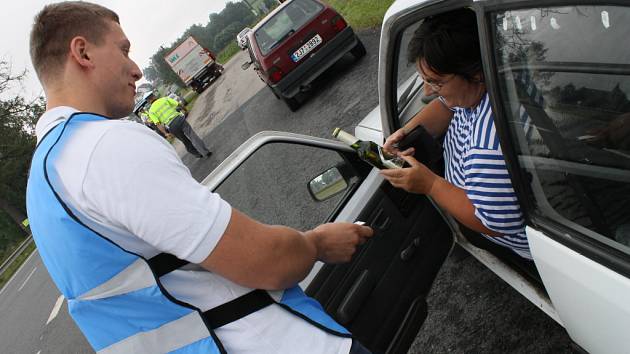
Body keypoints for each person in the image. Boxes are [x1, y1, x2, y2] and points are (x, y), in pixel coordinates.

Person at [26, 2, 373, 353]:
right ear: (82, 52)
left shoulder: (44, 185)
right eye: (123, 50)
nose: (135, 70)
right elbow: (264, 260)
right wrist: (316, 244)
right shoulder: (102, 146)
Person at [381, 9, 531, 260]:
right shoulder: (495, 75)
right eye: (425, 80)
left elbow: (491, 224)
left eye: (436, 82)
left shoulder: (488, 149)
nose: (427, 92)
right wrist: (405, 131)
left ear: (475, 73)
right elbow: (444, 105)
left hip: (505, 238)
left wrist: (430, 184)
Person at [147, 93, 211, 158]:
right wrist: (185, 109)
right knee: (192, 135)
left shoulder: (151, 111)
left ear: (148, 101)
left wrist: (166, 133)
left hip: (171, 126)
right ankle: (205, 152)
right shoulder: (164, 99)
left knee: (185, 140)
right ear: (154, 96)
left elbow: (158, 124)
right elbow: (178, 104)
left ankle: (197, 154)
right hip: (179, 119)